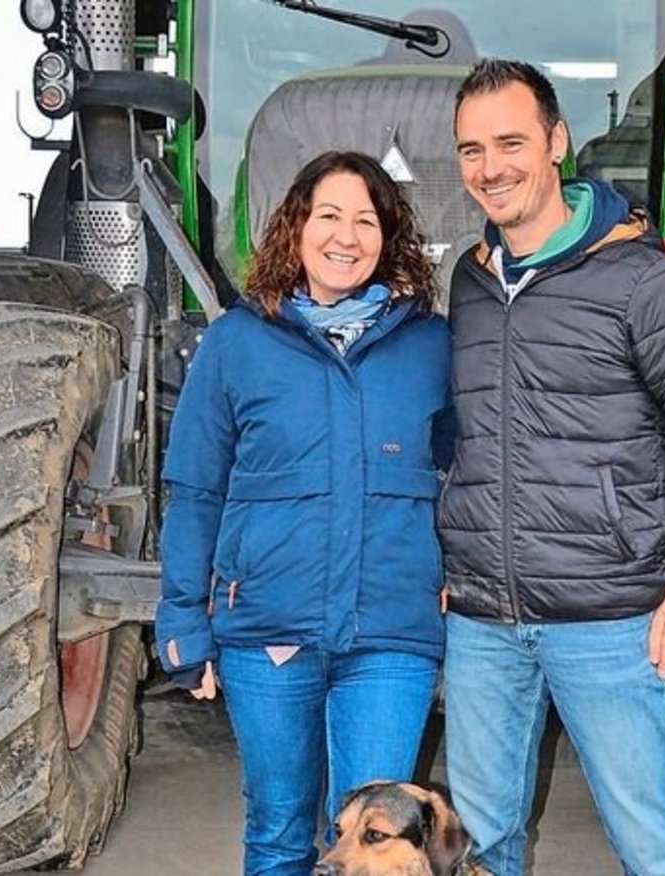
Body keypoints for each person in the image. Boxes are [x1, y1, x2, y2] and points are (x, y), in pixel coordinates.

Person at [436, 60, 665, 875]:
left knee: (651, 849)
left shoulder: (641, 280)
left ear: (556, 142)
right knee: (480, 849)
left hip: (608, 621)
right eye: (471, 150)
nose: (491, 167)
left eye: (511, 142)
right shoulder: (470, 281)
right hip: (483, 624)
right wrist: (456, 550)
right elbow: (464, 433)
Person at [155, 150, 454, 876]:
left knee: (374, 842)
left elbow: (463, 472)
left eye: (365, 220)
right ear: (296, 227)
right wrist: (182, 617)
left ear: (389, 237)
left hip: (390, 635)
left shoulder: (432, 345)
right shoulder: (236, 342)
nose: (345, 236)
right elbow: (195, 489)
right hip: (268, 633)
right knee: (281, 830)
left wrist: (456, 574)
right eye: (329, 216)